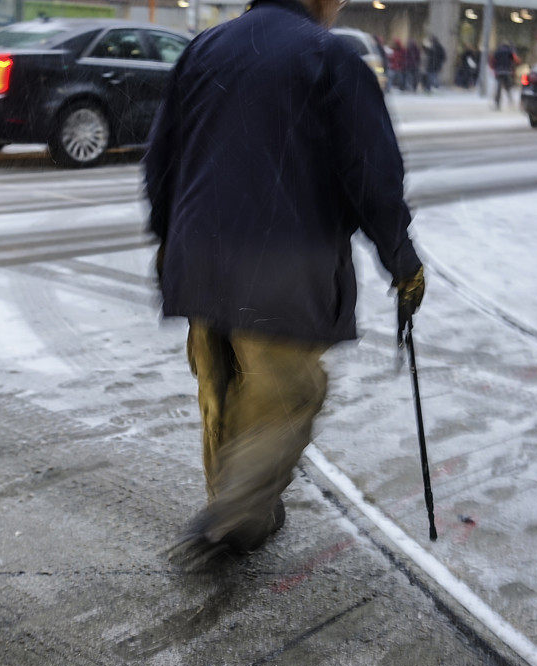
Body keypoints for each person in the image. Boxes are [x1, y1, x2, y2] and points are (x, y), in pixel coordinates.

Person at [144, 0, 425, 569]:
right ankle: (231, 518)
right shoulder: (332, 57)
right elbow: (374, 175)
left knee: (221, 384)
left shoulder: (206, 48)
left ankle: (236, 508)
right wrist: (403, 262)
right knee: (286, 394)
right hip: (282, 259)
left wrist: (169, 239)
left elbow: (161, 159)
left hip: (199, 251)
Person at [492, 42, 516, 110]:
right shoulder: (509, 52)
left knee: (498, 89)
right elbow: (514, 60)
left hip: (499, 71)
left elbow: (493, 61)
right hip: (507, 71)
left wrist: (495, 69)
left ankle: (497, 103)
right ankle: (511, 101)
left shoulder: (497, 52)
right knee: (508, 88)